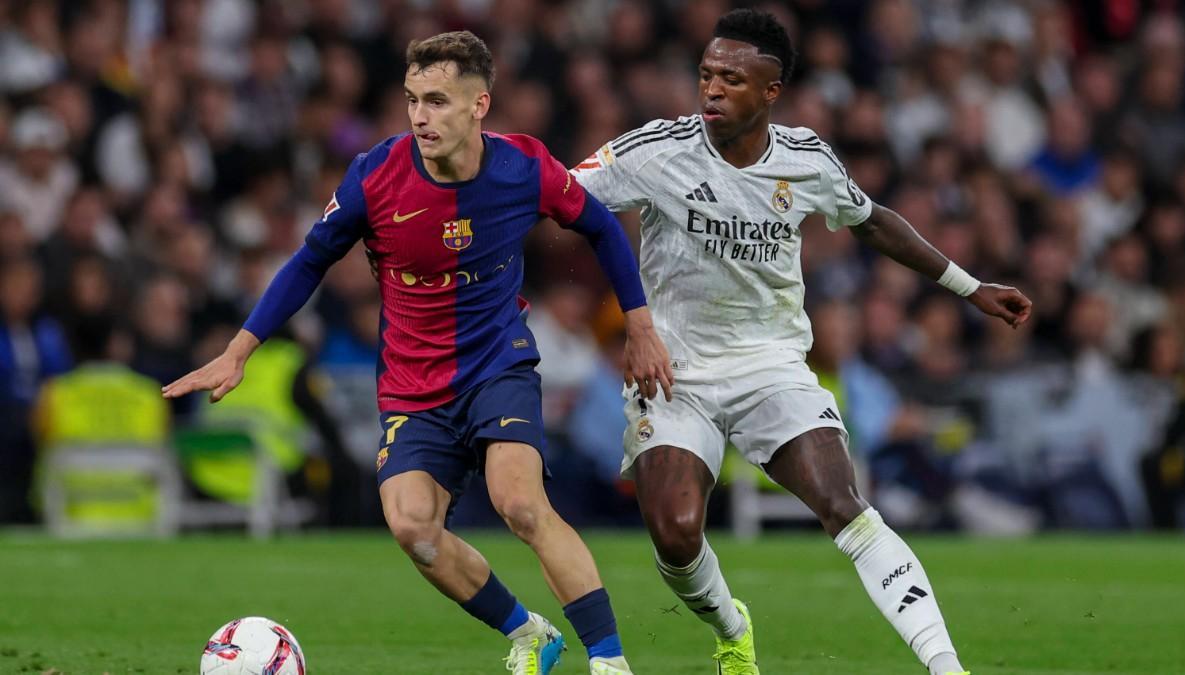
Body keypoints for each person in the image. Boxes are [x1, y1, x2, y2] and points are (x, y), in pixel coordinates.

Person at [164, 31, 672, 675]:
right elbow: (309, 260)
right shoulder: (376, 175)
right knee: (413, 530)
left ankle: (608, 662)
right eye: (411, 100)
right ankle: (530, 633)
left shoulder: (524, 167)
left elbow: (599, 226)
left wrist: (640, 325)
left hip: (497, 362)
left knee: (518, 503)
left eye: (436, 101)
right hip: (411, 384)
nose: (420, 117)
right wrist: (239, 351)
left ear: (479, 105)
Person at [572, 10, 1032, 675]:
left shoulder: (806, 158)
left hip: (771, 364)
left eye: (732, 78)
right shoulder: (657, 149)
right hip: (675, 368)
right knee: (675, 533)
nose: (712, 90)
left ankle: (945, 666)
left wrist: (968, 285)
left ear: (771, 91)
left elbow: (873, 222)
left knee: (844, 502)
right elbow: (559, 192)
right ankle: (733, 625)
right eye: (706, 75)